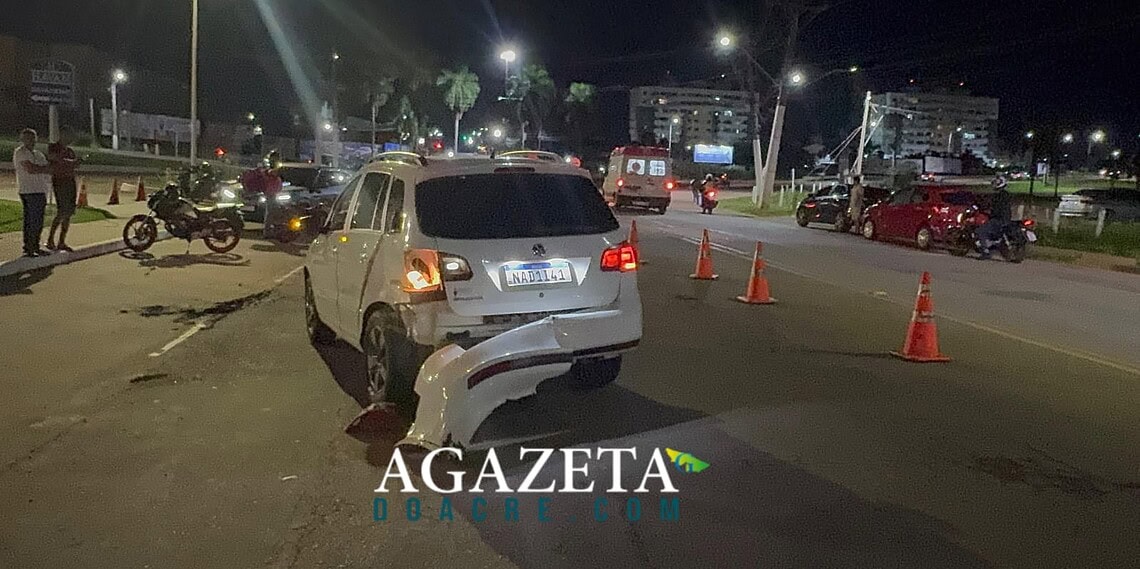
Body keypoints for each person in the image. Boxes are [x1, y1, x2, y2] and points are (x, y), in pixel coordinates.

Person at [12, 128, 53, 257]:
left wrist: (42, 169)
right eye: (28, 138)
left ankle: (34, 246)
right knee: (32, 220)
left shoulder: (39, 154)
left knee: (38, 220)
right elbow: (31, 169)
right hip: (28, 190)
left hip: (40, 190)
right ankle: (29, 247)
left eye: (33, 138)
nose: (31, 140)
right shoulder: (20, 152)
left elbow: (47, 169)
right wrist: (42, 169)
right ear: (22, 139)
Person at [47, 126, 81, 251]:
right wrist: (71, 162)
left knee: (69, 213)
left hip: (70, 181)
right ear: (62, 135)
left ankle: (62, 241)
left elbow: (73, 165)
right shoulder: (54, 147)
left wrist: (76, 163)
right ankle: (50, 239)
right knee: (61, 211)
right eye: (68, 135)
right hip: (60, 181)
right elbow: (54, 158)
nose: (70, 139)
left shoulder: (70, 151)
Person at [977, 175, 1012, 259]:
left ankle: (986, 252)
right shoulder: (1006, 194)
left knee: (980, 231)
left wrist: (985, 210)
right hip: (1006, 219)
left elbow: (993, 208)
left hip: (998, 219)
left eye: (996, 183)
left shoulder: (998, 196)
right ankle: (992, 244)